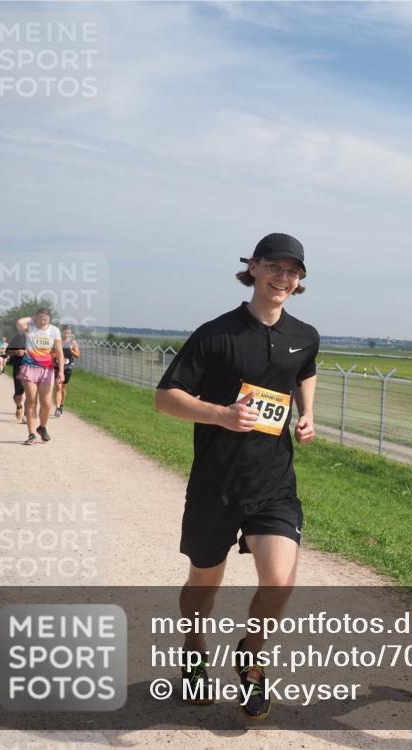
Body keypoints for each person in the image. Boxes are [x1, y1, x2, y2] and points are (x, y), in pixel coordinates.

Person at [154, 233, 319, 721]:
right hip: (216, 481)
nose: (283, 278)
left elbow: (304, 370)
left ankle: (251, 655)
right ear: (254, 267)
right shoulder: (216, 333)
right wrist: (221, 415)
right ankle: (194, 644)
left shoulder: (304, 335)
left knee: (281, 580)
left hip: (273, 482)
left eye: (293, 271)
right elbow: (166, 398)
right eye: (275, 267)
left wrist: (308, 413)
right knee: (204, 579)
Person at [16, 307, 64, 445]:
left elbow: (59, 352)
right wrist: (33, 318)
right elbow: (19, 322)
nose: (43, 322)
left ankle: (42, 427)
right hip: (29, 367)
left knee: (47, 403)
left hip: (47, 370)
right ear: (36, 317)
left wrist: (60, 371)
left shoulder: (54, 330)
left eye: (46, 320)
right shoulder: (29, 327)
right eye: (41, 319)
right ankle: (31, 435)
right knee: (31, 400)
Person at [54, 325, 81, 417]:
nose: (66, 334)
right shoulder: (57, 341)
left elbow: (77, 355)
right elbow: (52, 352)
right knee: (58, 387)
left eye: (68, 333)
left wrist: (71, 350)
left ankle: (61, 406)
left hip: (68, 367)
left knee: (63, 388)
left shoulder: (73, 342)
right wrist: (54, 355)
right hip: (57, 366)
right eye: (65, 332)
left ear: (71, 333)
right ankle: (57, 408)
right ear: (61, 332)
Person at [5, 329, 28, 422]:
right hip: (19, 367)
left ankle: (26, 415)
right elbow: (7, 352)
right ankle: (19, 406)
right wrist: (16, 351)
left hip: (32, 367)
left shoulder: (36, 338)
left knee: (30, 394)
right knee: (18, 395)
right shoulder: (17, 337)